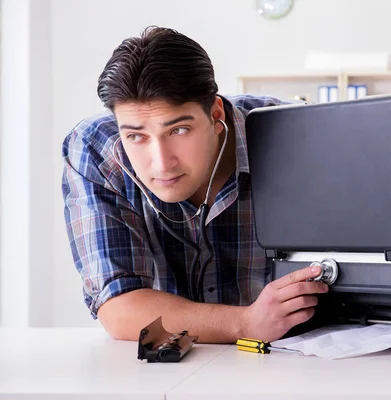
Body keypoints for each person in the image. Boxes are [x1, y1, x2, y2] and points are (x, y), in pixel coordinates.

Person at [61, 26, 328, 343]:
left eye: (178, 131)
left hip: (301, 360)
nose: (161, 163)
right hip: (176, 371)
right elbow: (120, 308)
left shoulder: (306, 134)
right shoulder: (96, 149)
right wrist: (245, 324)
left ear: (216, 114)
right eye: (136, 136)